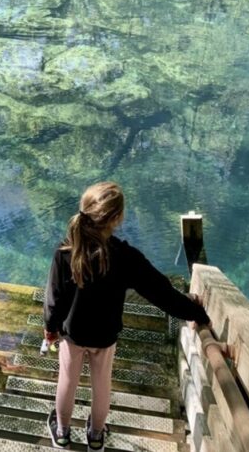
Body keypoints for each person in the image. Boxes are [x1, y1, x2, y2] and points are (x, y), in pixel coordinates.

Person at [43, 182, 210, 451]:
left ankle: (62, 433)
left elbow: (54, 299)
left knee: (67, 381)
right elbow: (161, 292)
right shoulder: (125, 257)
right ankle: (96, 436)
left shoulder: (64, 252)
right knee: (102, 385)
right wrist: (195, 312)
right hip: (105, 336)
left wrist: (50, 329)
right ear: (118, 218)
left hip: (72, 334)